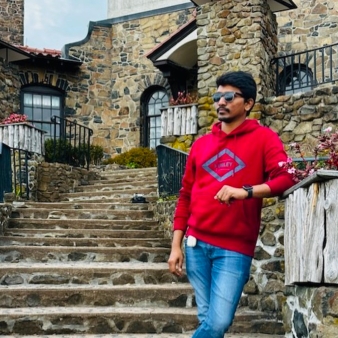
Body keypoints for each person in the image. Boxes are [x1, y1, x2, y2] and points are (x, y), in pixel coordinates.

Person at [168, 71, 295, 338]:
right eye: (217, 96)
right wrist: (175, 245)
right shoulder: (201, 145)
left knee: (217, 323)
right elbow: (185, 196)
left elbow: (286, 177)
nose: (220, 102)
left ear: (248, 103)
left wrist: (246, 192)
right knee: (208, 321)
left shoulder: (264, 138)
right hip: (196, 246)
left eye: (229, 96)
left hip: (234, 249)